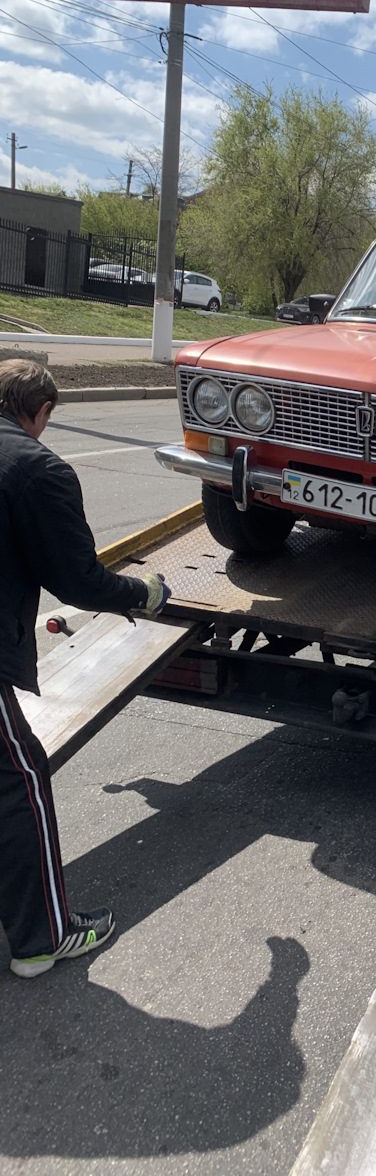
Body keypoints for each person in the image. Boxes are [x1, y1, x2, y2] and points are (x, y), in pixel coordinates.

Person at [0, 358, 171, 978]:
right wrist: (143, 594)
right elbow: (75, 579)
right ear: (40, 412)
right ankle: (42, 939)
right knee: (20, 779)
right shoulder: (37, 467)